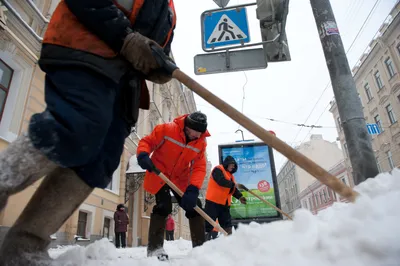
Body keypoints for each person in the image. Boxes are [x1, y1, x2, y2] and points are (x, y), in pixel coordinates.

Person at [0, 0, 176, 264]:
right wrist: (126, 37)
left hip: (125, 84)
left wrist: (161, 64)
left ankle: (24, 247)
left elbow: (157, 47)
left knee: (100, 161)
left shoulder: (170, 9)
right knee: (77, 124)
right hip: (85, 52)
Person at [137, 111, 210, 261]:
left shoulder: (200, 142)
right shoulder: (166, 129)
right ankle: (155, 248)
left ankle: (200, 248)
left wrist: (193, 188)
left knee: (195, 206)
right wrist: (143, 154)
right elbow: (148, 142)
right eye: (195, 132)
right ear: (187, 127)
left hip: (180, 179)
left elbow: (199, 167)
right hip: (159, 174)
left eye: (200, 133)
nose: (197, 136)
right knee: (164, 206)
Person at [204, 156, 247, 239]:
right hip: (213, 202)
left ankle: (229, 241)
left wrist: (240, 197)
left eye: (234, 166)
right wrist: (235, 184)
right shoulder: (218, 170)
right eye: (231, 164)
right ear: (227, 164)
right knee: (208, 223)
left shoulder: (231, 177)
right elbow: (221, 181)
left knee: (227, 224)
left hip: (224, 204)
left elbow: (233, 189)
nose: (232, 167)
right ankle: (204, 242)